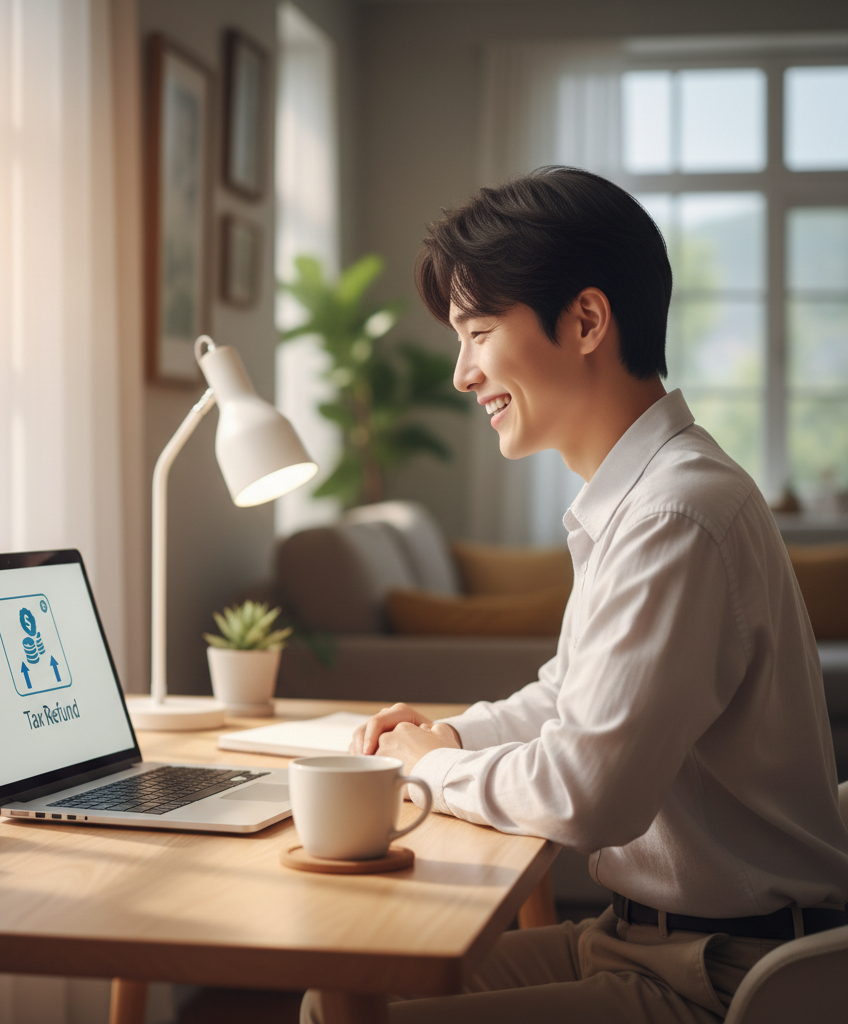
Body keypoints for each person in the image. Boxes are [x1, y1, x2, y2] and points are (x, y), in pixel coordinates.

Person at [302, 167, 848, 1024]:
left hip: (723, 975)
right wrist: (454, 732)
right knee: (343, 994)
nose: (461, 374)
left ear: (586, 320)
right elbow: (572, 697)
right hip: (643, 938)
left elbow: (587, 793)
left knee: (343, 1013)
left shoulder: (676, 513)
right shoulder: (643, 497)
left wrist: (430, 768)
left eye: (478, 333)